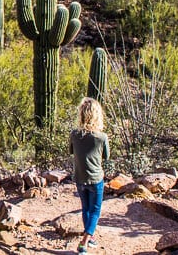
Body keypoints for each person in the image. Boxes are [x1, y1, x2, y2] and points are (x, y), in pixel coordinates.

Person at [70, 97, 110, 253]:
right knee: (95, 210)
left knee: (86, 208)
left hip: (80, 178)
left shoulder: (74, 134)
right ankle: (84, 242)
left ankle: (91, 238)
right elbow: (106, 156)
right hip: (96, 179)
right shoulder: (101, 137)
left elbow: (71, 151)